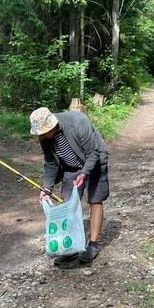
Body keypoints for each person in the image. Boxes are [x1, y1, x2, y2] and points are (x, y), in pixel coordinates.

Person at [30, 106, 109, 265]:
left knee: (95, 200)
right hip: (71, 167)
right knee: (67, 204)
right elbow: (51, 163)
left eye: (44, 132)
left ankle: (93, 245)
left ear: (52, 125)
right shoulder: (44, 136)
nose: (42, 136)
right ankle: (71, 247)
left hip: (95, 160)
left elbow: (92, 153)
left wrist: (84, 173)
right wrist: (47, 187)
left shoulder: (78, 122)